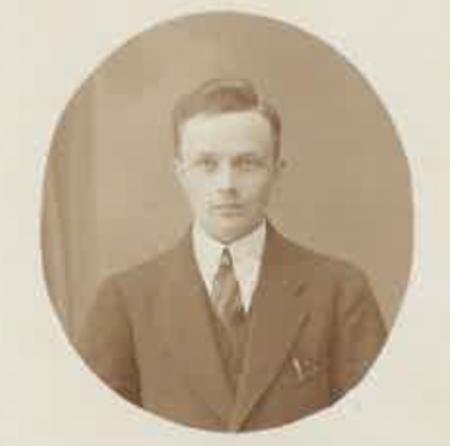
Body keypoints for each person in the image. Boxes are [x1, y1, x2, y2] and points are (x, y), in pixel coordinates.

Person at [75, 78, 386, 432]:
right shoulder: (124, 302)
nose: (226, 185)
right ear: (181, 173)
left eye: (247, 163)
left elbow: (376, 428)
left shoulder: (340, 292)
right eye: (207, 164)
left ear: (277, 172)